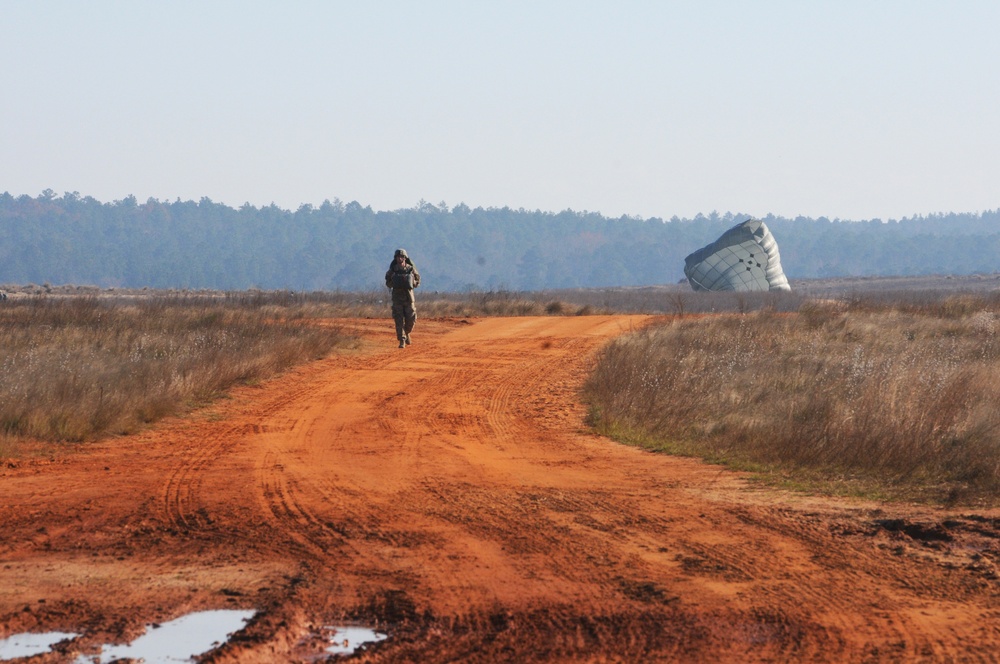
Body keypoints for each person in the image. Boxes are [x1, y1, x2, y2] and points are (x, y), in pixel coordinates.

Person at [384, 248, 420, 348]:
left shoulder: (410, 269)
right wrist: (394, 283)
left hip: (409, 298)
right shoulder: (393, 270)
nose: (400, 259)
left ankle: (406, 332)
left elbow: (418, 280)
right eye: (398, 257)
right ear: (396, 258)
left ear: (405, 258)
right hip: (397, 298)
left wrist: (413, 283)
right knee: (398, 320)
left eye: (402, 257)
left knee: (411, 319)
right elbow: (387, 282)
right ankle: (402, 340)